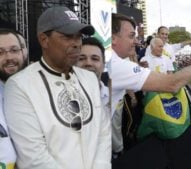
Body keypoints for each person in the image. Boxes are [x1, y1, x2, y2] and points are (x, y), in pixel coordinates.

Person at [4, 6, 111, 169]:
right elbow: (33, 158)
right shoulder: (20, 85)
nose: (76, 43)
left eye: (79, 37)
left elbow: (103, 135)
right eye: (68, 37)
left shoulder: (89, 79)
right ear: (44, 40)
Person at [110, 13, 191, 159]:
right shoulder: (117, 65)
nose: (136, 41)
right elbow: (172, 83)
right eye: (131, 36)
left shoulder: (117, 63)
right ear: (113, 39)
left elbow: (171, 75)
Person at [0, 28, 26, 169]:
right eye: (0, 52)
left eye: (14, 50)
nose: (9, 57)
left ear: (23, 52)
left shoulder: (40, 89)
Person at [76, 37, 110, 112]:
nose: (88, 63)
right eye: (81, 58)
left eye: (95, 59)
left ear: (103, 64)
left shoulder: (113, 97)